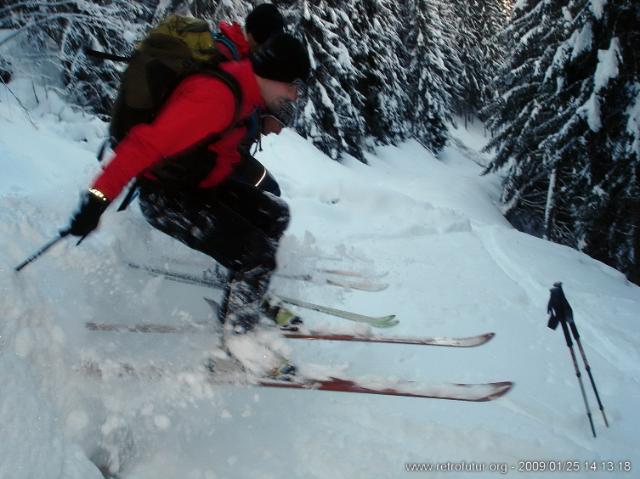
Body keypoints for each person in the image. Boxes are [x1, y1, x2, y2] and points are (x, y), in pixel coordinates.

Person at [66, 33, 311, 348]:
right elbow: (143, 146)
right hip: (167, 198)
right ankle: (238, 344)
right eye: (291, 85)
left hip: (196, 187)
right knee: (256, 254)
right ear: (271, 75)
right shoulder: (217, 98)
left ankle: (246, 294)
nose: (293, 95)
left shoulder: (246, 93)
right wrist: (95, 201)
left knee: (274, 212)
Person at [215, 3, 286, 197]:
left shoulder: (243, 55)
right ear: (259, 36)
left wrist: (262, 118)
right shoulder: (226, 57)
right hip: (215, 158)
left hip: (230, 154)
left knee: (270, 191)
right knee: (269, 194)